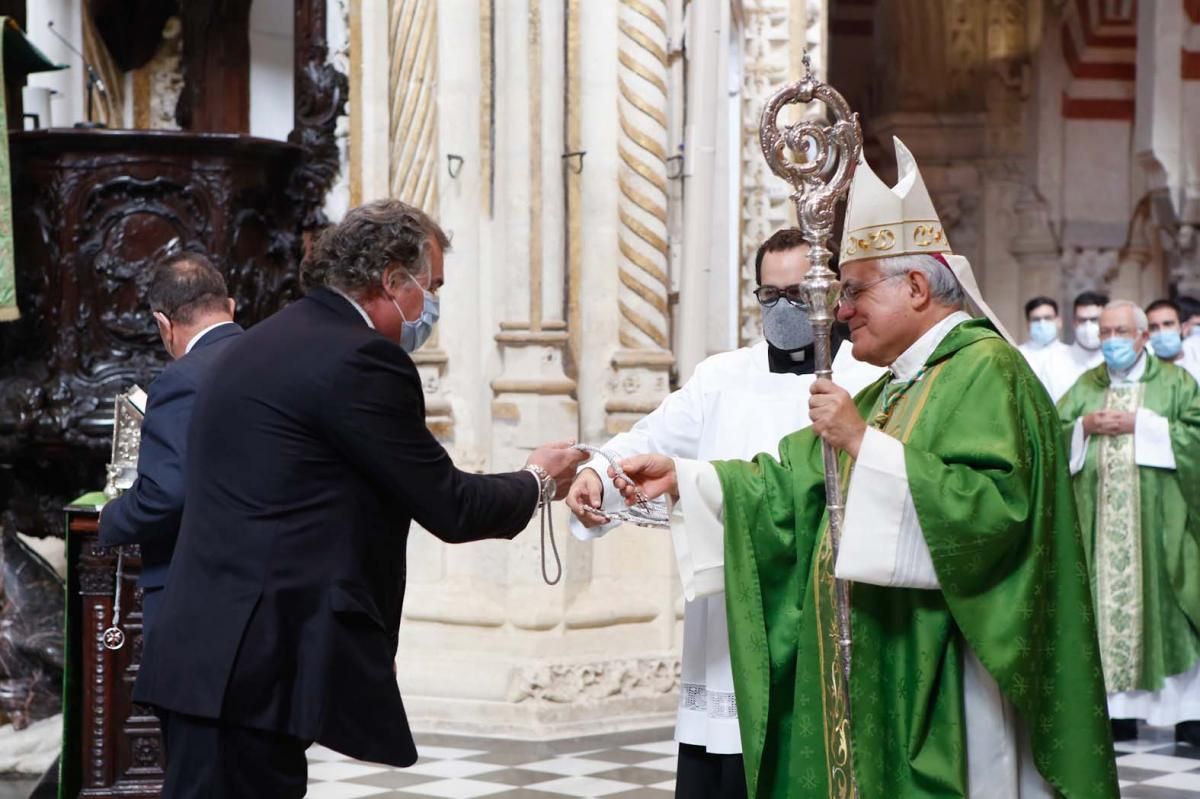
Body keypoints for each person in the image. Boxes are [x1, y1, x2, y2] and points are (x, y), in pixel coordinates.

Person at [611, 139, 1118, 797]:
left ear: (914, 286)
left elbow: (997, 512)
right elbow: (791, 478)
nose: (840, 312)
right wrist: (689, 477)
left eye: (853, 291)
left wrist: (862, 442)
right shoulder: (901, 384)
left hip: (953, 678)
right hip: (887, 664)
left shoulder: (986, 370)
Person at [134, 200, 587, 798]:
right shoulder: (360, 358)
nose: (434, 307)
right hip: (249, 663)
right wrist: (536, 480)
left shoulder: (267, 338)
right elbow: (448, 505)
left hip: (211, 652)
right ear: (394, 280)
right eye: (434, 287)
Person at [565, 228, 885, 799]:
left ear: (833, 294)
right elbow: (649, 438)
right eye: (769, 296)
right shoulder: (722, 376)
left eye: (798, 294)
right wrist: (597, 473)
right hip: (730, 607)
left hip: (821, 600)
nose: (782, 308)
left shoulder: (871, 379)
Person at [1057, 300, 1200, 747]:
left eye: (1120, 332)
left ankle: (1185, 715)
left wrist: (1145, 424)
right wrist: (1082, 425)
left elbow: (1195, 434)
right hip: (1097, 525)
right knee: (1101, 611)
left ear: (1142, 336)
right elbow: (1051, 431)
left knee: (1172, 607)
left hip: (1162, 525)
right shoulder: (1085, 385)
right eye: (1105, 333)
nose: (1111, 342)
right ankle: (1114, 714)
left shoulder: (1176, 383)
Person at [98, 252, 242, 642]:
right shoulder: (279, 359)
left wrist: (111, 518)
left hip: (197, 588)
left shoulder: (181, 378)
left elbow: (168, 493)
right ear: (230, 306)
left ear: (163, 323)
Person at [1017, 295, 1073, 401]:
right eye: (1036, 319)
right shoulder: (1017, 355)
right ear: (1028, 324)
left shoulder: (1072, 355)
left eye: (1048, 318)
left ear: (1059, 321)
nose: (1042, 324)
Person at [1145, 298, 1200, 382]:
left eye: (1168, 324)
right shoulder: (1143, 372)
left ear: (1182, 327)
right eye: (1154, 327)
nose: (1161, 331)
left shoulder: (1196, 366)